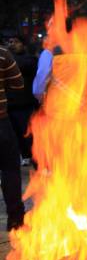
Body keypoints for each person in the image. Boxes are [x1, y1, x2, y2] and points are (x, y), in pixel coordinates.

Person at [0, 46, 26, 230]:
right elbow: (18, 84)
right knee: (10, 170)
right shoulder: (2, 53)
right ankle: (16, 219)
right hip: (1, 122)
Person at [7, 35, 37, 165]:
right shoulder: (9, 59)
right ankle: (23, 155)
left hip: (25, 105)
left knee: (28, 134)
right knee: (14, 135)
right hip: (10, 105)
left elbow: (20, 65)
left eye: (16, 42)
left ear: (23, 45)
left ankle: (33, 157)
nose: (13, 44)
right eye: (11, 41)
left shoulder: (30, 59)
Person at [32, 35, 54, 103]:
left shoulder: (47, 53)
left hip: (54, 96)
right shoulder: (75, 48)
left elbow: (43, 74)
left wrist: (39, 94)